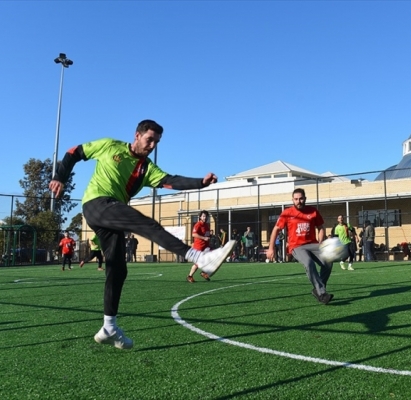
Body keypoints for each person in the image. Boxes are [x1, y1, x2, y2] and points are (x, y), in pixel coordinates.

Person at [48, 119, 235, 350]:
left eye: (157, 142)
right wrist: (60, 177)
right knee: (146, 224)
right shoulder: (109, 145)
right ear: (137, 135)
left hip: (111, 213)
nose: (153, 145)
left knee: (117, 268)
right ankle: (198, 258)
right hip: (97, 203)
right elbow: (74, 152)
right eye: (149, 139)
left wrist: (200, 182)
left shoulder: (146, 167)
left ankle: (109, 327)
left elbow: (169, 181)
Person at [266, 188, 334, 304]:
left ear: (305, 199)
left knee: (328, 261)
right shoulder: (287, 213)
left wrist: (320, 242)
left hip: (313, 244)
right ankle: (322, 293)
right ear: (292, 200)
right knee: (308, 263)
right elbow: (276, 229)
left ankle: (318, 289)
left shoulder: (313, 211)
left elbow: (321, 228)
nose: (299, 201)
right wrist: (271, 248)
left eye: (301, 198)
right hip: (296, 246)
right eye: (296, 199)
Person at [187, 211, 212, 283]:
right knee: (198, 263)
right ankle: (190, 276)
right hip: (199, 247)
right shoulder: (198, 225)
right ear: (200, 217)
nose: (205, 217)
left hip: (206, 246)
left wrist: (209, 237)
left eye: (206, 216)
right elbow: (194, 234)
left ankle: (203, 272)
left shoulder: (206, 225)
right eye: (203, 216)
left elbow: (206, 234)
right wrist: (204, 238)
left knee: (211, 258)